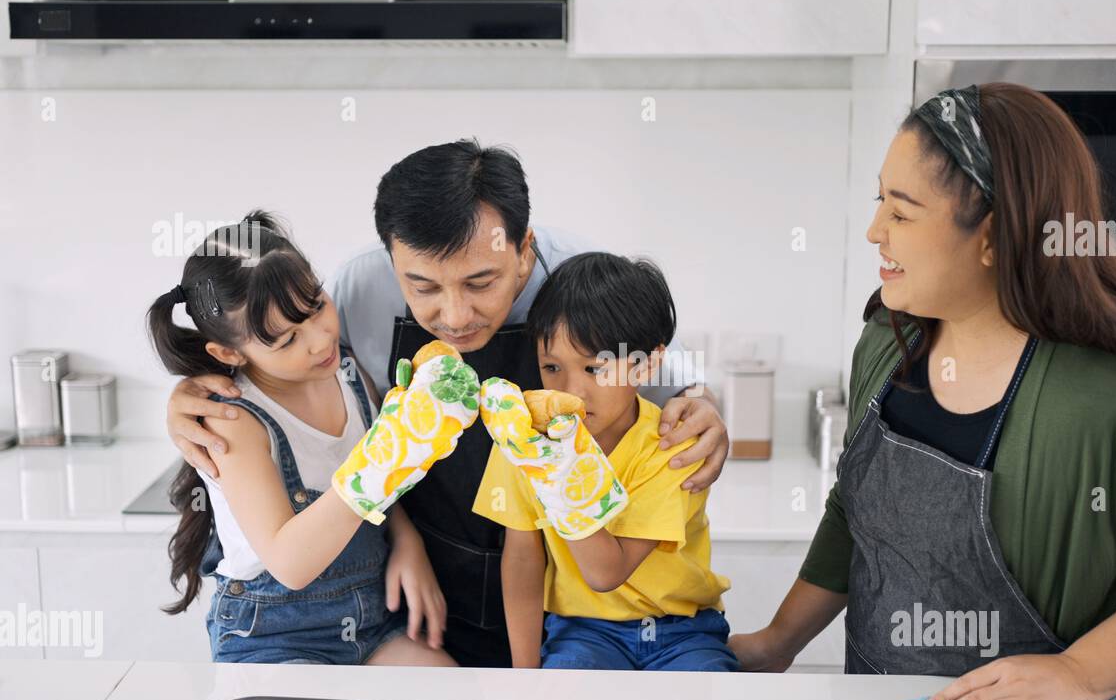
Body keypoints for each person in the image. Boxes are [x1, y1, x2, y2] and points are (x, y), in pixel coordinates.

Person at [731, 83, 1116, 700]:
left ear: (993, 236)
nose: (874, 230)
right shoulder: (889, 339)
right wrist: (779, 641)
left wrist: (1079, 673)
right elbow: (854, 511)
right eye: (879, 201)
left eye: (903, 212)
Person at [162, 140, 731, 666]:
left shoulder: (580, 275)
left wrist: (704, 407)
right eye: (425, 289)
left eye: (481, 283)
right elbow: (278, 370)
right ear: (392, 260)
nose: (455, 317)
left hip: (559, 605)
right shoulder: (356, 289)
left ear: (524, 250)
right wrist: (189, 389)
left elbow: (673, 380)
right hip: (416, 597)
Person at [147, 211, 468, 665]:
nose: (319, 342)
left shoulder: (352, 376)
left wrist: (407, 540)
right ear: (228, 353)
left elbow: (381, 497)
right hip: (276, 635)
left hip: (372, 619)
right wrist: (384, 461)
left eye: (317, 305)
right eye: (286, 340)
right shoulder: (234, 422)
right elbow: (290, 564)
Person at [473, 252, 736, 671]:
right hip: (583, 630)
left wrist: (553, 468)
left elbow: (605, 571)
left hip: (683, 632)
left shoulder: (672, 445)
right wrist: (524, 676)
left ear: (646, 364)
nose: (572, 389)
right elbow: (522, 559)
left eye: (595, 368)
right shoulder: (520, 440)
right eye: (552, 366)